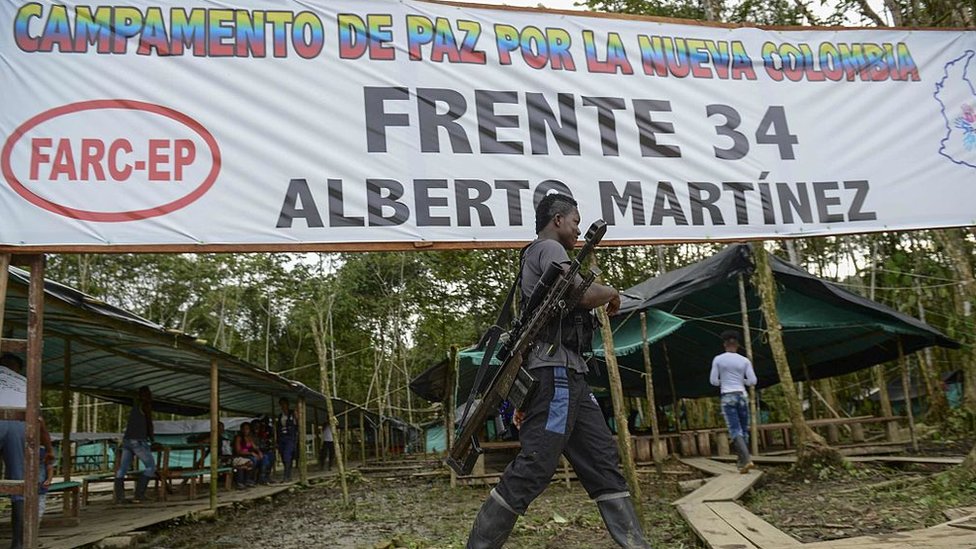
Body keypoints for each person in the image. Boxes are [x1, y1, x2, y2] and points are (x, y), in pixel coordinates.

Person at [465, 193, 651, 549]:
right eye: (576, 221)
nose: (578, 229)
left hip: (571, 375)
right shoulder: (549, 249)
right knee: (535, 464)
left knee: (602, 463)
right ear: (558, 221)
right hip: (556, 372)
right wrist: (612, 291)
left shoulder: (537, 255)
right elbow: (577, 292)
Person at [710, 330, 757, 474]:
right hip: (742, 395)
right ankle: (742, 463)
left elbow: (713, 381)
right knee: (743, 430)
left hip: (727, 395)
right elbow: (753, 381)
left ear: (725, 344)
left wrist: (723, 381)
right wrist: (741, 380)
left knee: (734, 430)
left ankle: (747, 459)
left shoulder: (718, 359)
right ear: (737, 345)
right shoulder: (744, 360)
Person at [0, 353, 28, 549]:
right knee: (18, 479)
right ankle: (17, 542)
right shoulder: (24, 381)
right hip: (18, 423)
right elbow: (38, 416)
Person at [114, 386, 156, 504]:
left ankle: (120, 497)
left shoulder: (135, 406)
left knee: (122, 469)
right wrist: (152, 440)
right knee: (151, 466)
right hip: (138, 440)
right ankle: (139, 494)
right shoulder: (145, 406)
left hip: (127, 440)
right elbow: (149, 424)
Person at [275, 397, 298, 482]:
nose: (283, 406)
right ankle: (288, 475)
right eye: (281, 404)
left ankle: (286, 476)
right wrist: (277, 441)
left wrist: (296, 416)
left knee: (287, 455)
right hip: (282, 438)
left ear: (287, 404)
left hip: (290, 437)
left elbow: (298, 424)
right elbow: (278, 429)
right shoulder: (280, 415)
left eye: (284, 404)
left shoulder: (292, 413)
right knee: (283, 456)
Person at [233, 422, 262, 488]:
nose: (246, 430)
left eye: (247, 429)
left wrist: (259, 452)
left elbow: (255, 447)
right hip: (239, 456)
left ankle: (252, 479)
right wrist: (251, 453)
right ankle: (242, 481)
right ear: (241, 429)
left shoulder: (249, 438)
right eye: (244, 429)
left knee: (259, 459)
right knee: (251, 461)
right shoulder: (239, 438)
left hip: (248, 456)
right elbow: (238, 451)